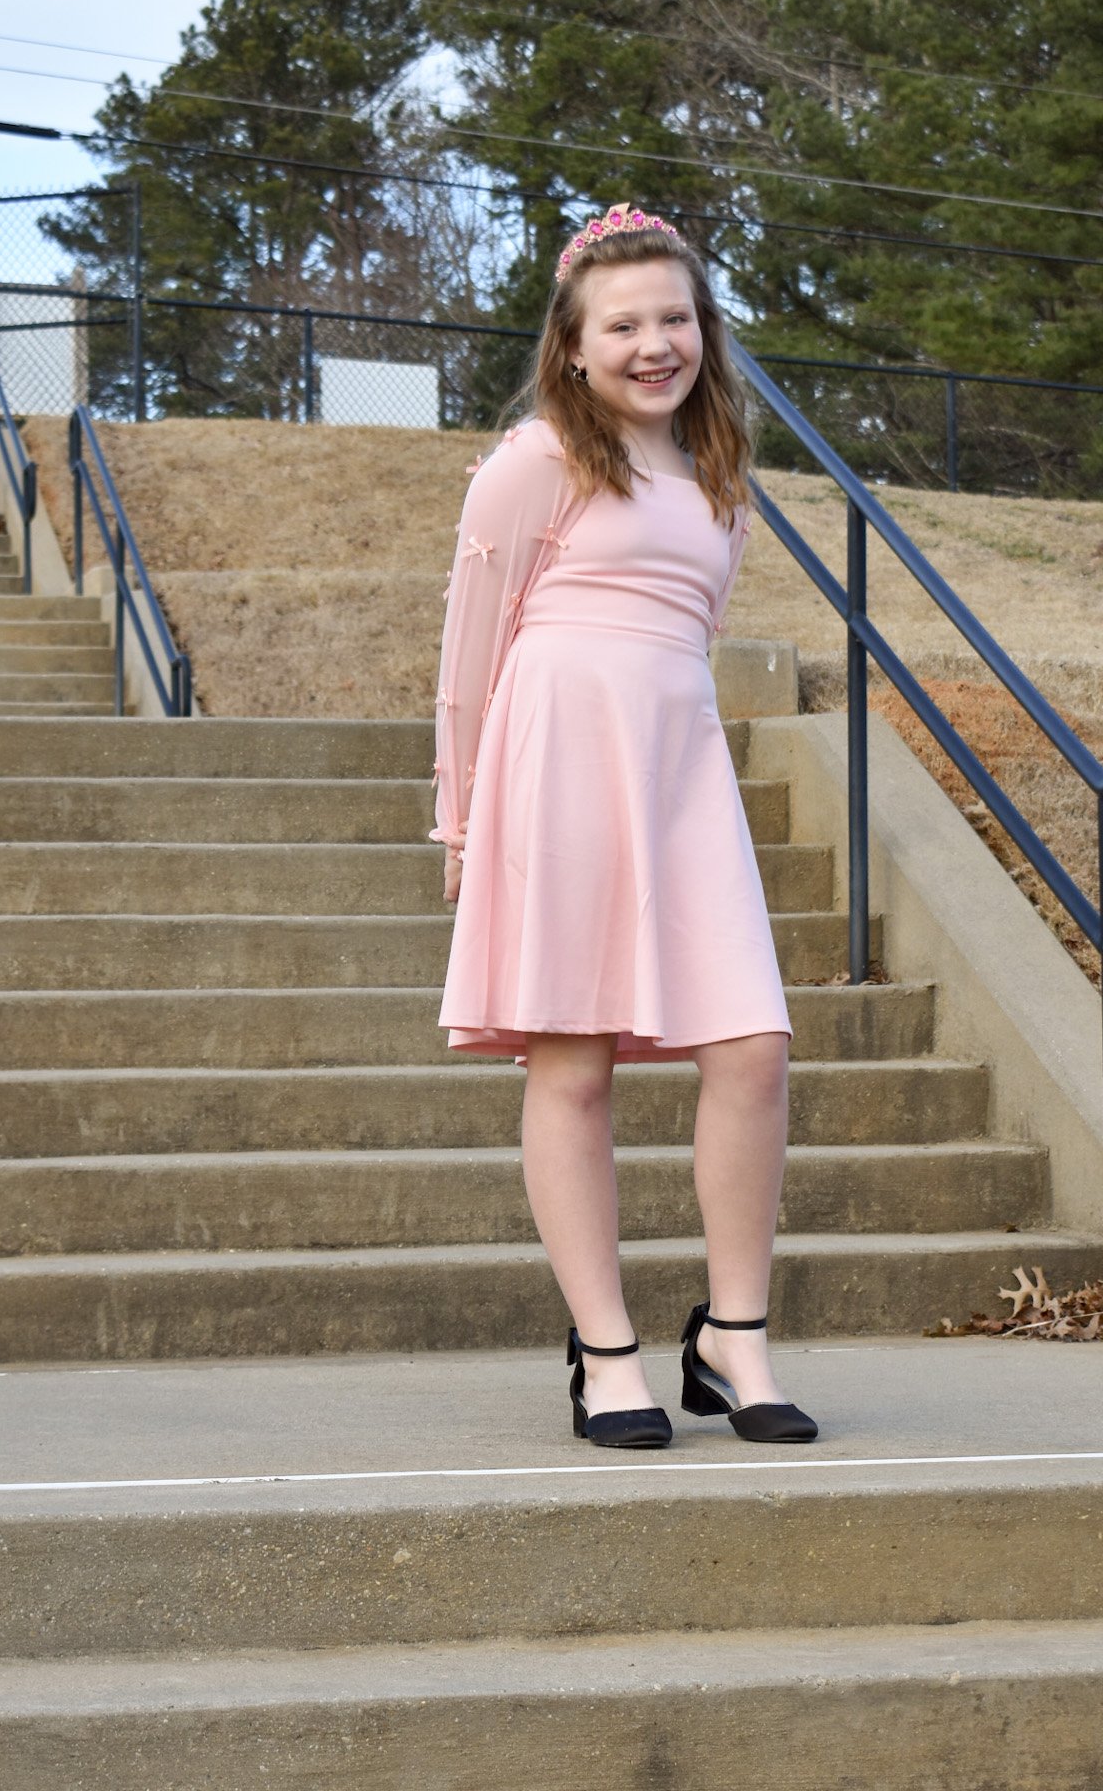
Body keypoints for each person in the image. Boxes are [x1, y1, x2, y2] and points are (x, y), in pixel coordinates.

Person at [430, 202, 816, 1451]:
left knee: (753, 1046)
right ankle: (608, 1352)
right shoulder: (535, 458)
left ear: (705, 328)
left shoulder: (718, 478)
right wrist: (461, 816)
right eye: (625, 323)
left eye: (677, 317)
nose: (656, 343)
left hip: (677, 770)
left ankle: (733, 1336)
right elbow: (469, 650)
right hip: (553, 767)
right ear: (575, 343)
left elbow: (684, 643)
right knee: (574, 1063)